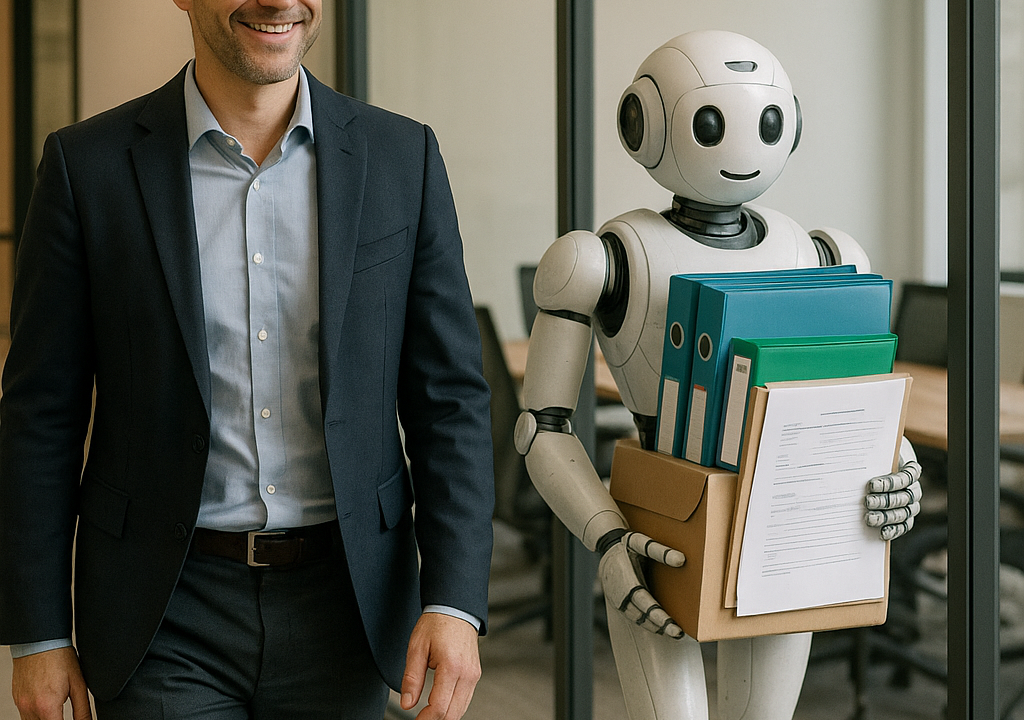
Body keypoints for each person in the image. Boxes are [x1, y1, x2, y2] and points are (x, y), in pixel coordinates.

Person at [0, 1, 495, 718]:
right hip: (164, 611)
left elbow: (450, 402)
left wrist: (454, 599)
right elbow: (39, 417)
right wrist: (37, 633)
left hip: (348, 603)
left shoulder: (402, 158)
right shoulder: (88, 168)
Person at [515, 30, 923, 720]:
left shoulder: (818, 252)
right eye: (710, 122)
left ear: (790, 124)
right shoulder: (605, 257)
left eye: (766, 123)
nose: (741, 144)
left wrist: (896, 459)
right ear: (642, 124)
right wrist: (607, 536)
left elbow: (845, 393)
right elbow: (542, 425)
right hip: (657, 519)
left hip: (783, 513)